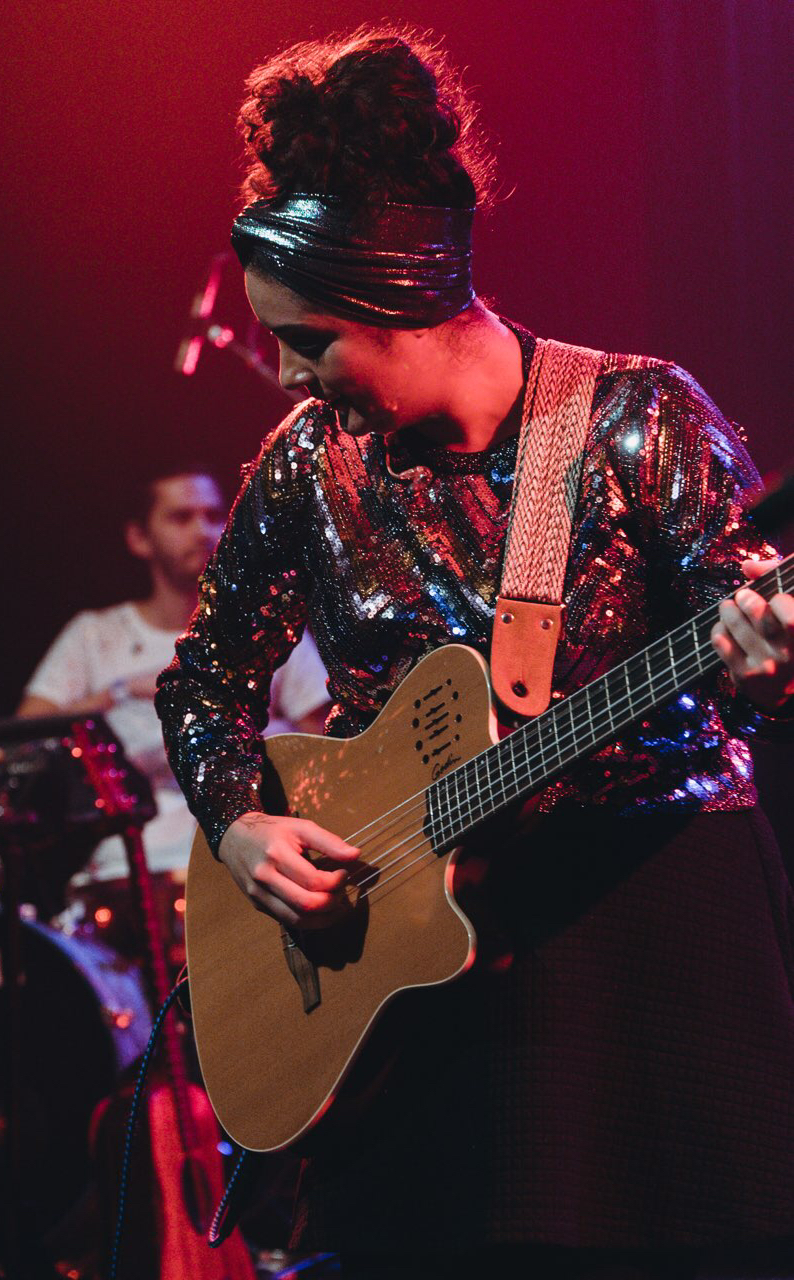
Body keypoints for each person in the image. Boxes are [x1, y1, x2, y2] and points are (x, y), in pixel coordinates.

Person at [155, 28, 794, 1280]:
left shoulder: (637, 416)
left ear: (401, 303)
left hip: (652, 932)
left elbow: (748, 645)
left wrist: (763, 663)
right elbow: (205, 683)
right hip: (414, 980)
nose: (284, 372)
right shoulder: (306, 465)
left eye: (309, 338)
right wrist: (239, 825)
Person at [19, 461, 330, 889]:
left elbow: (326, 746)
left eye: (214, 515)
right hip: (127, 874)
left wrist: (254, 733)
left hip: (249, 862)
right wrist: (119, 692)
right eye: (181, 518)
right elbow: (22, 740)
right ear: (139, 538)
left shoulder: (265, 624)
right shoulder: (95, 635)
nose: (203, 531)